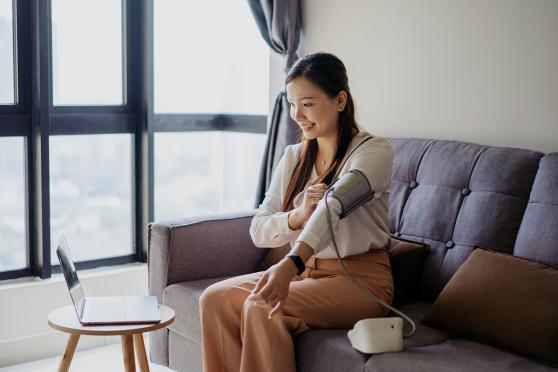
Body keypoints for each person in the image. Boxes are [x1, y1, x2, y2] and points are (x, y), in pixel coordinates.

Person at [199, 52, 395, 372]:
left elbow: (335, 204)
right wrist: (297, 216)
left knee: (261, 306)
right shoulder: (294, 156)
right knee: (214, 300)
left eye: (307, 103)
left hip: (361, 281)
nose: (297, 115)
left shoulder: (373, 152)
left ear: (340, 100)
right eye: (292, 104)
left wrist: (291, 264)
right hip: (307, 275)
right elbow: (259, 227)